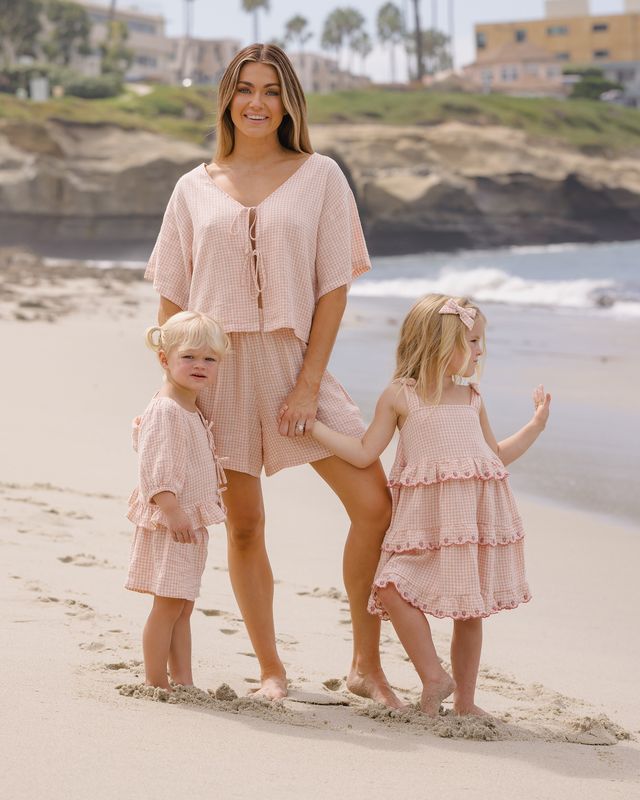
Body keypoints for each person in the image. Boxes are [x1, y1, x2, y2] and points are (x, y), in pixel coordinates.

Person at [144, 44, 401, 705]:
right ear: (227, 98)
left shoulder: (320, 176)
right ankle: (271, 669)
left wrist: (310, 382)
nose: (257, 102)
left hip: (294, 365)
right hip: (216, 373)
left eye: (272, 90)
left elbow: (333, 286)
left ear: (290, 102)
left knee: (374, 503)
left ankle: (365, 665)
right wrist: (179, 387)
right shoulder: (192, 187)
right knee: (246, 523)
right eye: (244, 88)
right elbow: (172, 298)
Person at [309, 294, 551, 716]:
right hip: (424, 522)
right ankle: (434, 676)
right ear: (440, 344)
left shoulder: (472, 398)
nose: (481, 351)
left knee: (469, 611)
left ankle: (465, 702)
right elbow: (366, 453)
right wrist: (315, 429)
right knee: (389, 586)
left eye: (481, 342)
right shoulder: (401, 396)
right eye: (473, 341)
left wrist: (534, 427)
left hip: (472, 519)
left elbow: (495, 456)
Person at [126, 311, 230, 690]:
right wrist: (172, 510)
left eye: (209, 359)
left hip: (187, 522)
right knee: (168, 605)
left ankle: (183, 680)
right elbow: (155, 466)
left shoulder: (189, 406)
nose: (199, 365)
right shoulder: (167, 410)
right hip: (172, 522)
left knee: (183, 605)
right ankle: (156, 682)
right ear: (164, 359)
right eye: (189, 356)